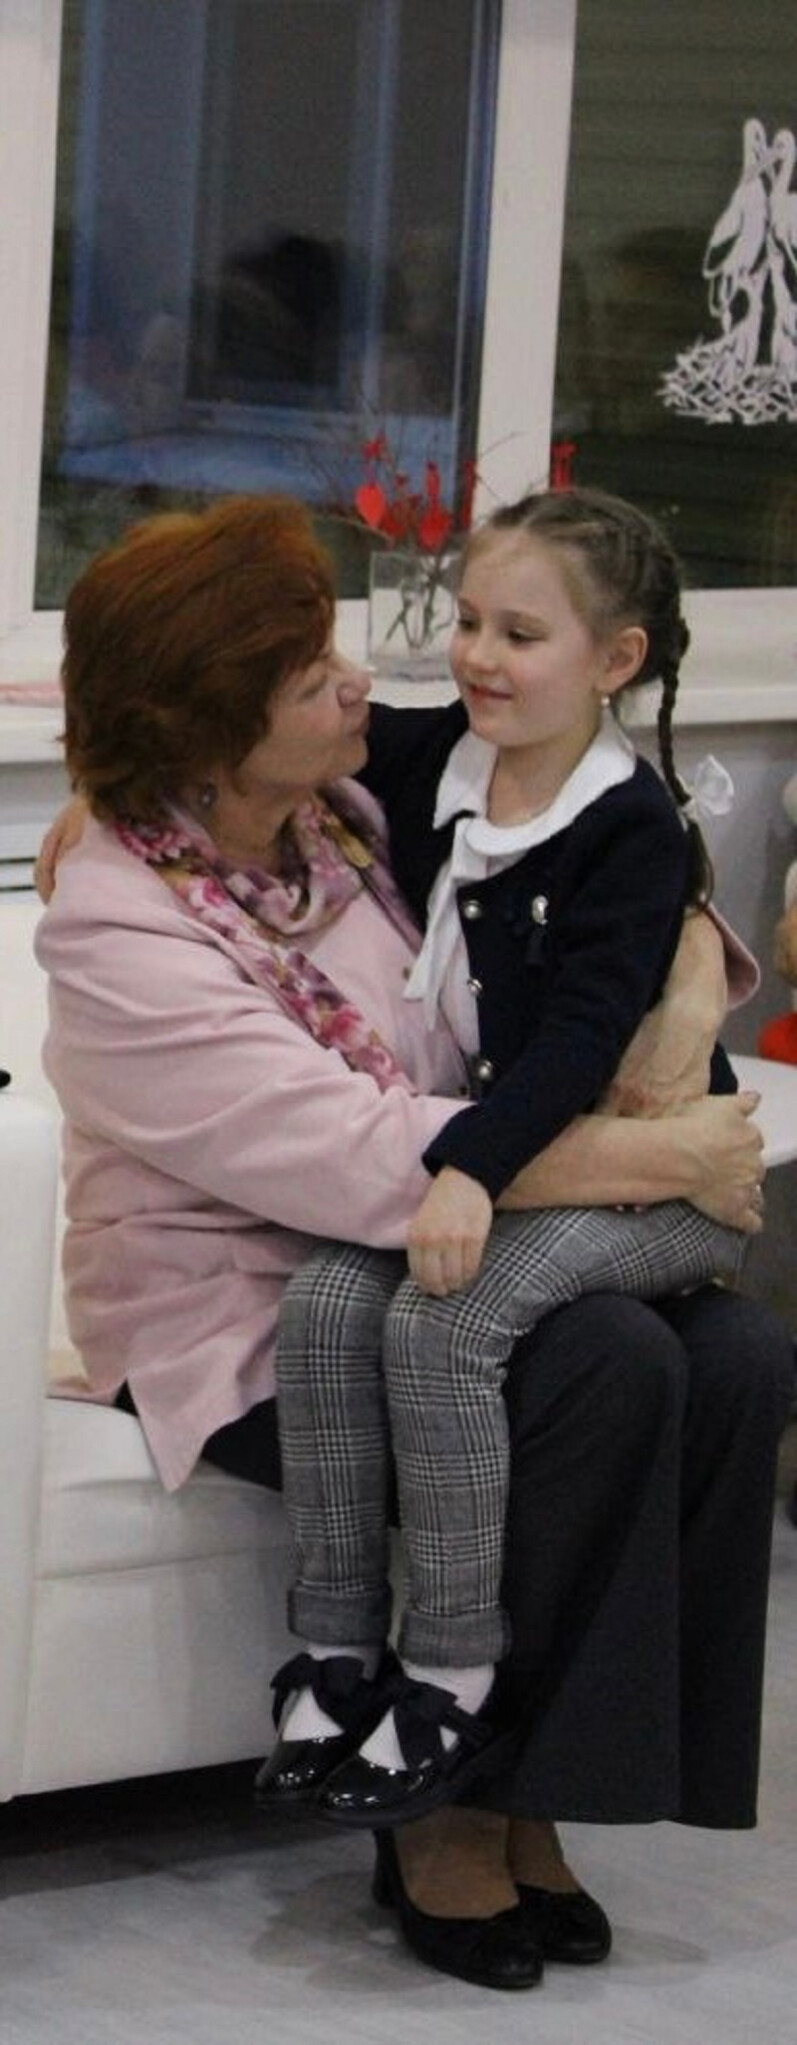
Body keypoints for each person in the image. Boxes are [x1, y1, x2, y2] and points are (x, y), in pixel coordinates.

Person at [34, 495, 792, 1994]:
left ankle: (548, 1785)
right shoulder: (115, 924)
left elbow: (606, 865)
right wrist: (669, 1155)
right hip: (248, 1309)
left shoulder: (349, 815)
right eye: (313, 673)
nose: (361, 683)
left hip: (440, 1244)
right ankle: (446, 1807)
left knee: (740, 1354)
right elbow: (362, 1154)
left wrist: (698, 982)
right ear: (212, 724)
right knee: (603, 1359)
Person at [258, 487, 748, 1828]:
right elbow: (257, 747)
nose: (477, 655)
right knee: (324, 1300)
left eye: (520, 635)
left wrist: (468, 1172)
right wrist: (113, 808)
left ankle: (449, 1667)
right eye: (468, 620)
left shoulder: (626, 825)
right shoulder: (434, 755)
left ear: (615, 660)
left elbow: (583, 1034)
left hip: (658, 1177)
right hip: (520, 1164)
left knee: (443, 1318)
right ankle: (336, 1651)